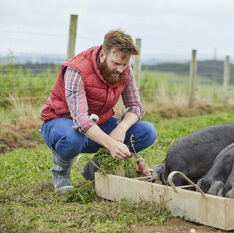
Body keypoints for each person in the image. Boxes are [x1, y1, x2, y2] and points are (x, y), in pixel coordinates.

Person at [40, 29, 157, 194]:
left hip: (98, 123)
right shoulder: (76, 69)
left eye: (124, 64)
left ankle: (94, 169)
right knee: (73, 137)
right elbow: (80, 119)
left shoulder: (125, 71)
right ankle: (61, 173)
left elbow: (136, 107)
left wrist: (120, 129)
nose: (120, 69)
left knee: (147, 132)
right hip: (62, 123)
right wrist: (111, 144)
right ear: (103, 55)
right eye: (116, 63)